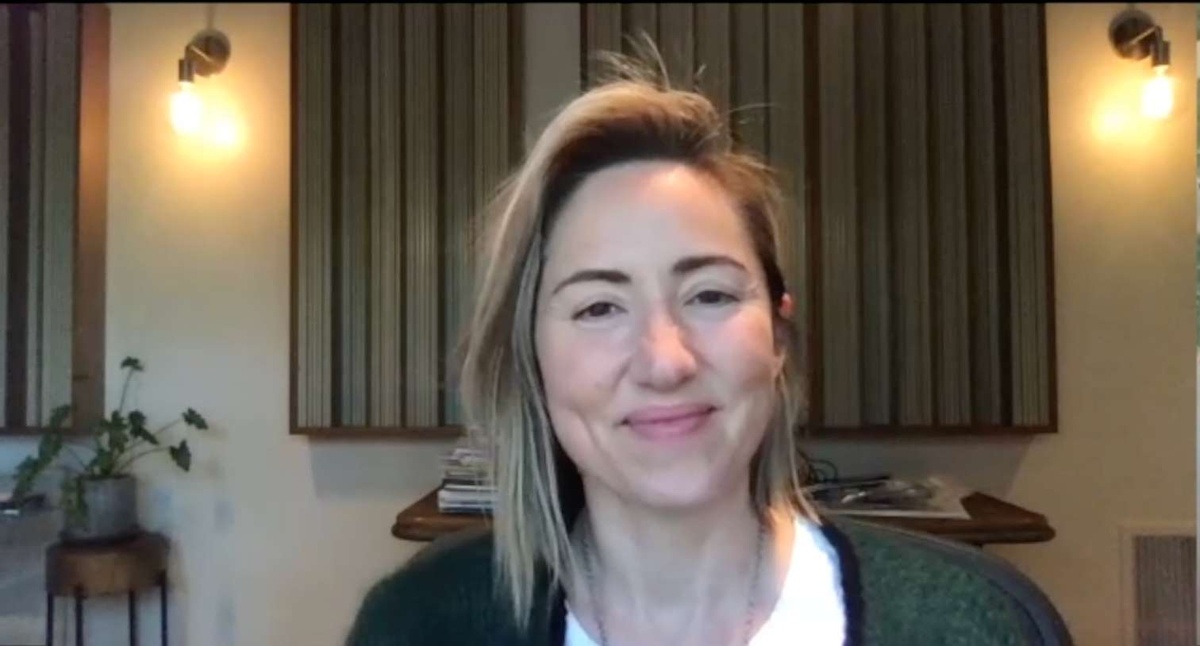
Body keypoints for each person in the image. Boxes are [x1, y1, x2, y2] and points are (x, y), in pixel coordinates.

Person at [344, 48, 1059, 646]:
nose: (666, 361)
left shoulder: (975, 624)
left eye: (710, 296)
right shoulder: (418, 625)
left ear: (778, 334)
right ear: (531, 359)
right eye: (598, 306)